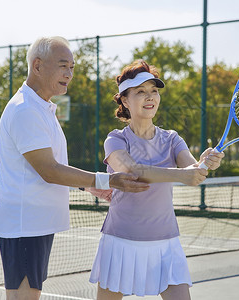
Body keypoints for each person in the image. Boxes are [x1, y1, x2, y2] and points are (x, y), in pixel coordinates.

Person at [0, 36, 149, 300]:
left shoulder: (42, 108)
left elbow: (54, 165)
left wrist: (87, 184)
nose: (69, 74)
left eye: (72, 68)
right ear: (38, 66)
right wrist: (108, 181)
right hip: (25, 226)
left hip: (36, 224)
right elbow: (49, 170)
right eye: (63, 66)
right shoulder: (25, 110)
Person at [89, 59, 224, 299]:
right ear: (125, 100)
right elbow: (132, 170)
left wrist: (205, 163)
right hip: (121, 240)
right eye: (141, 92)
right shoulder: (116, 140)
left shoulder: (172, 139)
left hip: (165, 242)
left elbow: (192, 169)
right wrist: (183, 175)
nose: (150, 97)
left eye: (154, 91)